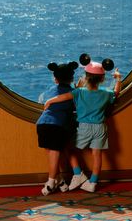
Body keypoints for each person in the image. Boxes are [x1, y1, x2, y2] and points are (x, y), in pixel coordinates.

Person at [44, 53, 122, 193]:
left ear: (85, 77)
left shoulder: (79, 91)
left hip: (84, 128)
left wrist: (50, 101)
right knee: (97, 155)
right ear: (102, 78)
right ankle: (92, 183)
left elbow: (63, 97)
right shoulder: (106, 92)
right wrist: (118, 79)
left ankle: (78, 173)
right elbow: (116, 93)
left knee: (68, 146)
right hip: (100, 128)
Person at [36, 60, 79, 196]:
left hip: (42, 124)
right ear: (72, 78)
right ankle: (50, 182)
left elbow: (42, 101)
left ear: (55, 79)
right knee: (55, 154)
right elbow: (76, 106)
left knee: (51, 154)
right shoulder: (73, 92)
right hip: (57, 126)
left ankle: (60, 181)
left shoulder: (49, 92)